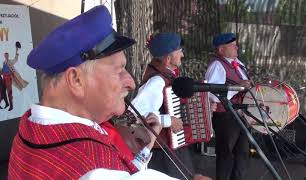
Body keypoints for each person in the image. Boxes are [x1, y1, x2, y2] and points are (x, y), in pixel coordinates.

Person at [8, 5, 210, 180]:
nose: (131, 82)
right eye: (119, 70)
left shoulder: (30, 128)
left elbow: (123, 173)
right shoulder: (92, 165)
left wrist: (145, 149)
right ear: (76, 80)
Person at [131, 32, 195, 179]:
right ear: (168, 59)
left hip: (169, 148)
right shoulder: (157, 81)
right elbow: (133, 115)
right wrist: (169, 120)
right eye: (179, 52)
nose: (183, 55)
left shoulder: (167, 75)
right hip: (161, 153)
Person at [205, 32, 252, 180]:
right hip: (226, 116)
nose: (236, 47)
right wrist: (238, 87)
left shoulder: (239, 64)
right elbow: (212, 94)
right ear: (221, 49)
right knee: (225, 155)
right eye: (232, 45)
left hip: (241, 115)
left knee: (242, 154)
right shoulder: (217, 65)